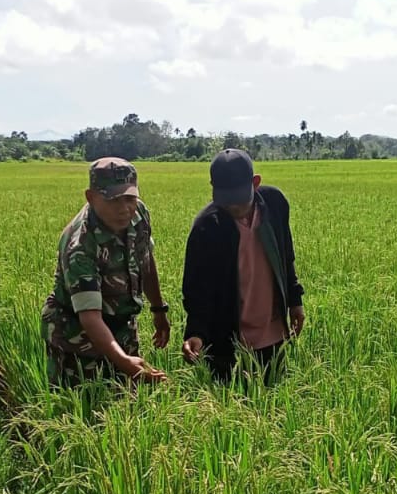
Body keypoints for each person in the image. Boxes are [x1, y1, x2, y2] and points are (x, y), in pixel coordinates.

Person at [42, 157, 171, 388]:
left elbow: (145, 260)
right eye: (113, 200)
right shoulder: (80, 246)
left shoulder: (138, 213)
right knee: (84, 404)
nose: (125, 209)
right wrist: (123, 361)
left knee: (128, 400)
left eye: (130, 198)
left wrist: (158, 309)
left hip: (121, 323)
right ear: (91, 198)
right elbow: (90, 317)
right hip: (77, 337)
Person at [181, 149, 305, 385]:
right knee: (228, 407)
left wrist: (294, 300)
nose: (234, 208)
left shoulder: (275, 204)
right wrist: (196, 332)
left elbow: (285, 257)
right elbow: (196, 289)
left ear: (255, 183)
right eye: (226, 201)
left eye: (240, 200)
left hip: (271, 331)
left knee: (274, 401)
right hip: (226, 337)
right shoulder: (207, 227)